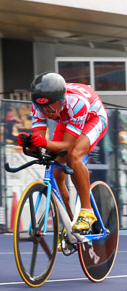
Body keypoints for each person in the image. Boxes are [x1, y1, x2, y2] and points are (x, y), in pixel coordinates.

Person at [18, 72, 108, 240]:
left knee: (73, 156)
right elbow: (39, 138)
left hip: (93, 118)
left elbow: (67, 146)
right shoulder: (39, 104)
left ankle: (87, 211)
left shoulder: (76, 103)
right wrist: (29, 142)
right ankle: (69, 222)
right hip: (67, 120)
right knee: (57, 173)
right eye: (41, 108)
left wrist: (42, 143)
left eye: (50, 107)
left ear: (61, 101)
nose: (45, 112)